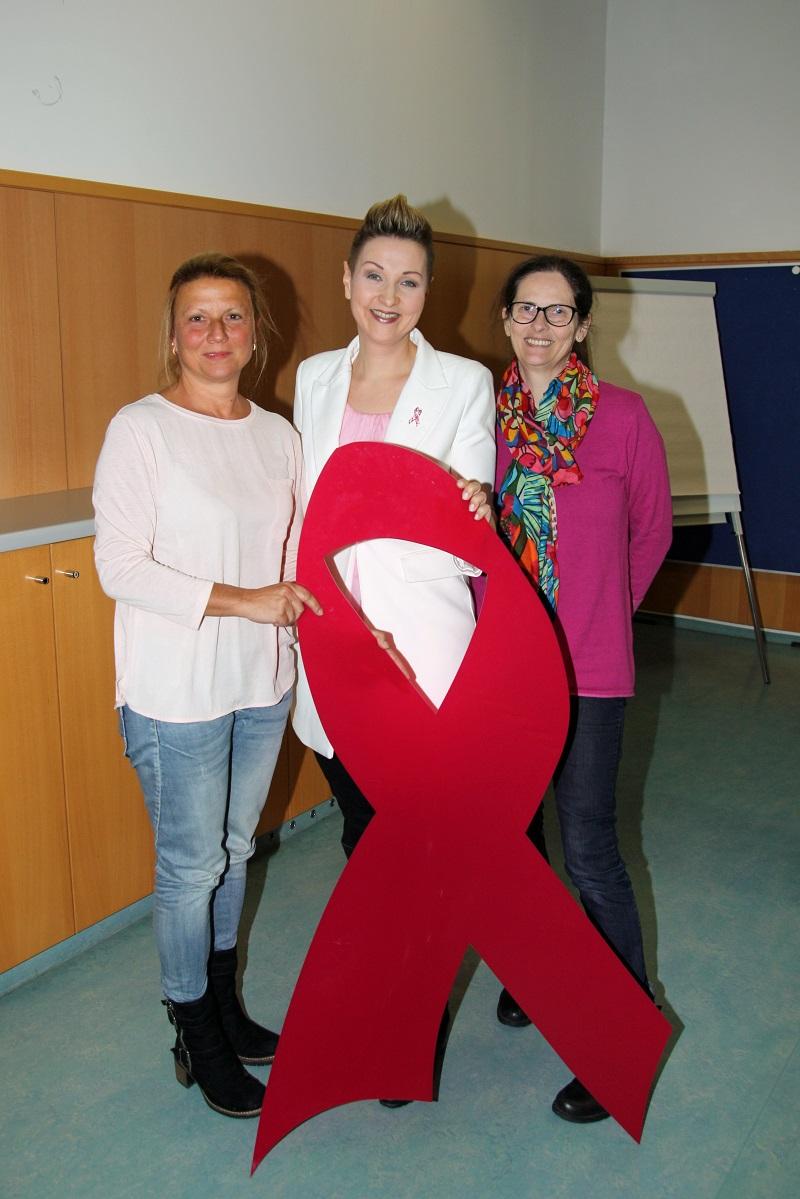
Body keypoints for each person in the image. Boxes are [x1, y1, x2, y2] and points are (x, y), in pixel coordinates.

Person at [93, 253, 321, 1120]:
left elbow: (295, 557)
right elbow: (120, 567)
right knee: (191, 868)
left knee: (235, 849)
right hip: (175, 691)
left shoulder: (278, 436)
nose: (216, 333)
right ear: (174, 333)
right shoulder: (141, 429)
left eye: (233, 315)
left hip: (259, 682)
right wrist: (244, 600)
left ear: (257, 332)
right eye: (198, 316)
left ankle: (224, 1003)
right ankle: (194, 1028)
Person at [493, 255, 672, 1124]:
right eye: (526, 309)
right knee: (517, 841)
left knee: (590, 846)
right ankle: (541, 973)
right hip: (501, 670)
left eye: (558, 312)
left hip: (591, 668)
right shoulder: (477, 417)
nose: (540, 326)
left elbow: (653, 530)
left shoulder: (624, 416)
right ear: (504, 319)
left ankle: (621, 1034)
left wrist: (597, 616)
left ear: (584, 326)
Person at [291, 194, 496, 863]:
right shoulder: (315, 377)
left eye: (408, 281)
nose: (388, 296)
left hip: (419, 634)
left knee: (431, 827)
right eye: (374, 275)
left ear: (427, 291)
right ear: (346, 278)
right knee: (362, 828)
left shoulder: (463, 382)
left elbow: (472, 526)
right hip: (332, 628)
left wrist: (475, 505)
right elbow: (308, 507)